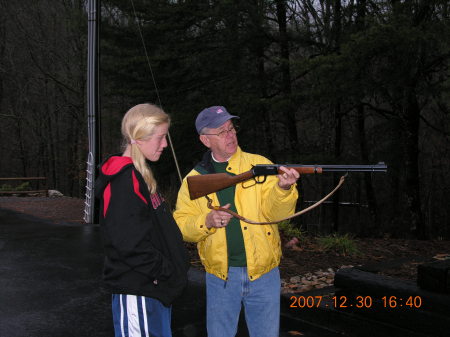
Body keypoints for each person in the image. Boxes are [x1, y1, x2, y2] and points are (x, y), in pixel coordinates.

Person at [173, 106, 299, 337]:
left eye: (231, 129)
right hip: (221, 277)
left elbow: (277, 214)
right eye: (221, 132)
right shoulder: (195, 179)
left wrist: (283, 188)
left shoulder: (259, 164)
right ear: (205, 140)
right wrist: (207, 221)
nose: (230, 136)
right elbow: (181, 226)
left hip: (264, 274)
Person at [95, 103, 190, 337]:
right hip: (140, 290)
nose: (165, 144)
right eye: (160, 137)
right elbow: (128, 245)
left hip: (154, 289)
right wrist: (164, 271)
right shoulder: (123, 182)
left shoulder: (140, 175)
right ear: (139, 137)